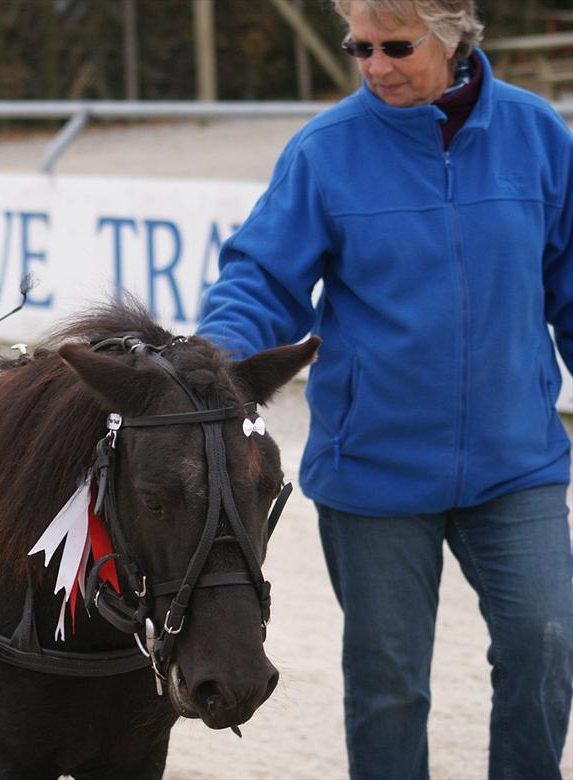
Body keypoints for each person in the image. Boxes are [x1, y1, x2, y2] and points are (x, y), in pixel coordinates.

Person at [196, 1, 572, 777]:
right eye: (358, 46)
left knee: (548, 645)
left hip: (518, 463)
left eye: (395, 46)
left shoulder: (538, 136)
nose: (373, 66)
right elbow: (261, 279)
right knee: (390, 687)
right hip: (374, 473)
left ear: (453, 35)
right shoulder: (324, 151)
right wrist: (216, 363)